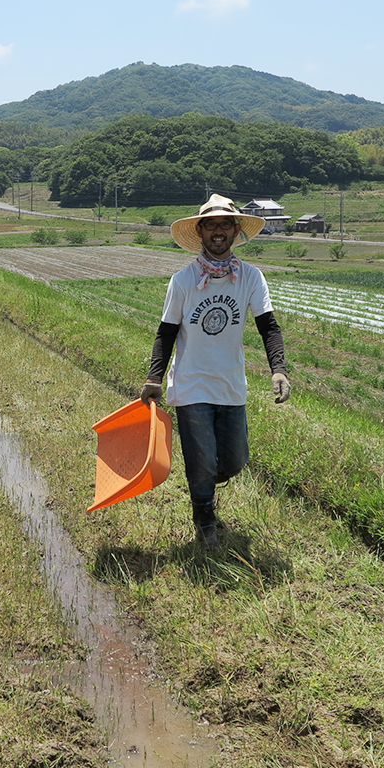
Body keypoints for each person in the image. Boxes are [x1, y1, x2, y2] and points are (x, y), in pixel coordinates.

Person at [140, 195, 291, 549]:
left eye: (226, 224)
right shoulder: (183, 280)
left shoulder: (250, 278)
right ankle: (204, 515)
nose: (219, 231)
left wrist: (279, 370)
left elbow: (269, 326)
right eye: (211, 225)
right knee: (203, 459)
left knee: (236, 459)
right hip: (191, 384)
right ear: (201, 231)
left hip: (231, 383)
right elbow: (167, 331)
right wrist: (154, 378)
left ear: (237, 231)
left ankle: (204, 480)